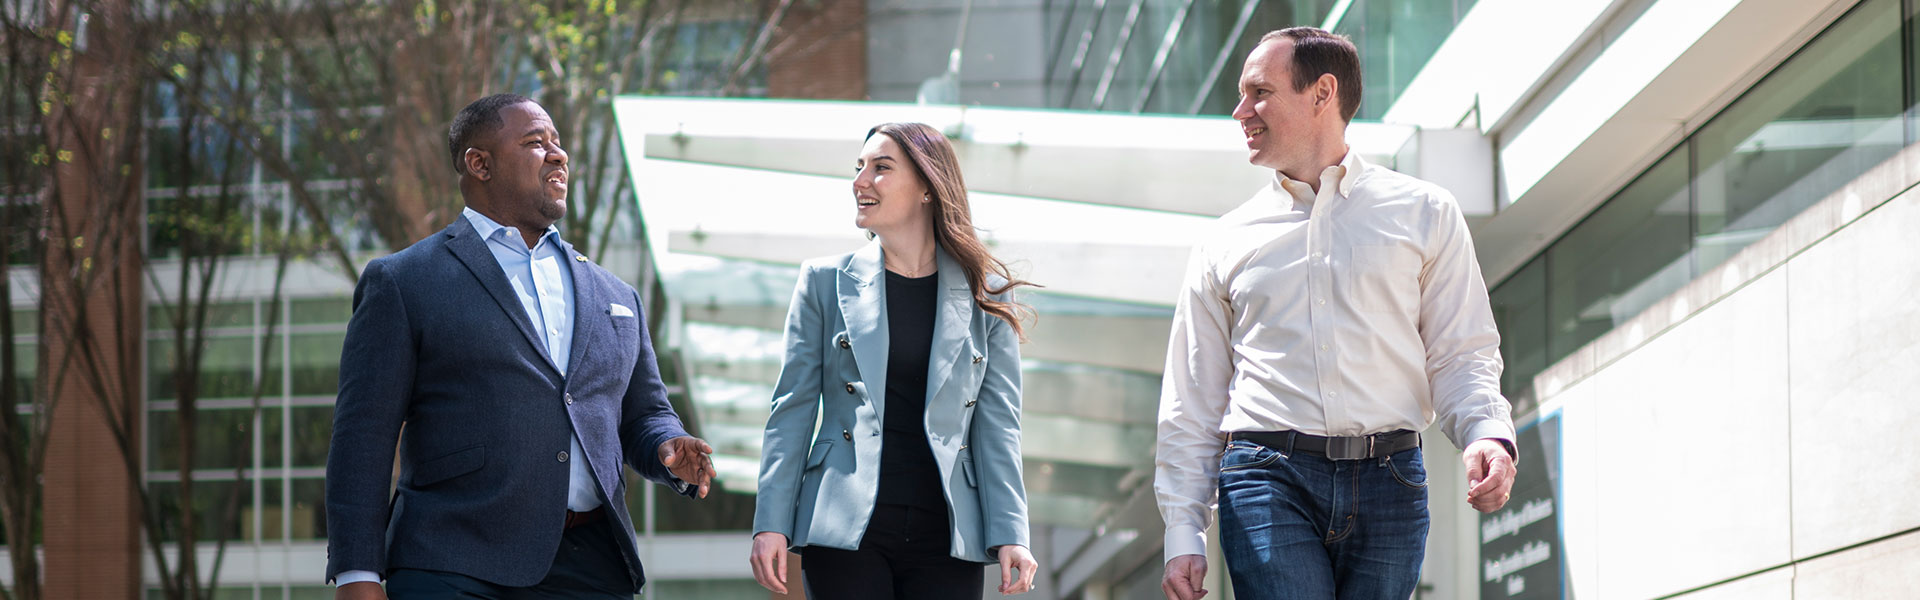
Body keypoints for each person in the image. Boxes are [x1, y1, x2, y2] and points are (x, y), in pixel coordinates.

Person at [1155, 27, 1519, 600]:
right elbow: (1192, 395)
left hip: (1391, 478)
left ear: (1322, 93)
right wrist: (1183, 528)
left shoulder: (1426, 212)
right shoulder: (1224, 241)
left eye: (1259, 93)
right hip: (1266, 476)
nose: (1240, 111)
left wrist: (1486, 433)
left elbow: (1461, 351)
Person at [324, 93, 717, 600]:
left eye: (558, 143)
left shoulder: (617, 295)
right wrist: (359, 573)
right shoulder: (403, 282)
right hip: (451, 563)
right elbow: (362, 437)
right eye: (536, 142)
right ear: (479, 164)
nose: (559, 155)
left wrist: (667, 446)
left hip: (593, 566)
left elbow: (643, 415)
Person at [748, 122, 1041, 599]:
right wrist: (771, 523)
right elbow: (792, 410)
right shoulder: (824, 282)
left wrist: (1012, 531)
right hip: (845, 529)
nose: (861, 181)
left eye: (881, 168)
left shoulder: (986, 295)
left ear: (927, 187)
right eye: (859, 168)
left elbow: (998, 425)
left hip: (947, 534)